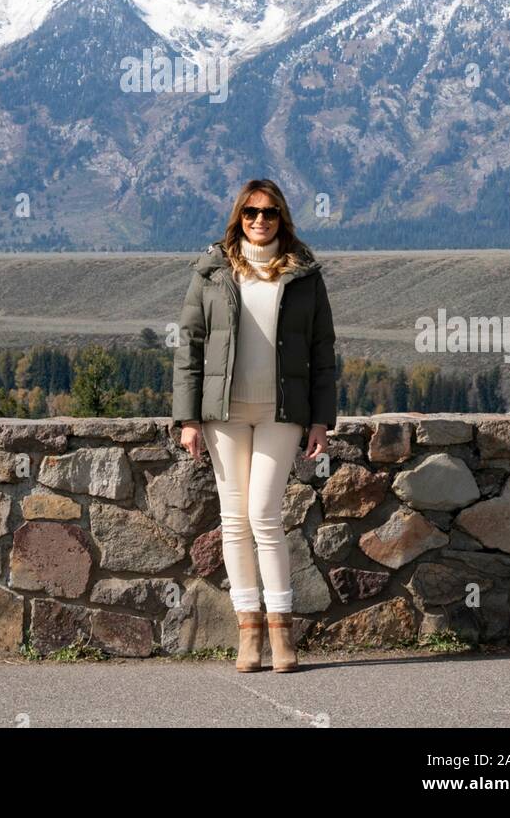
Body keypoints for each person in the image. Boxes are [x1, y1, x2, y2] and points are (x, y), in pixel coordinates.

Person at [171, 178, 337, 673]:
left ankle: (282, 633)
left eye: (269, 212)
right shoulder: (212, 271)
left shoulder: (305, 275)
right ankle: (249, 633)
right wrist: (188, 417)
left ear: (281, 217)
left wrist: (321, 420)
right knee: (234, 520)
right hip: (224, 413)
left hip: (282, 412)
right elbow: (190, 347)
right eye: (250, 213)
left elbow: (322, 353)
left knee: (265, 514)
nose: (259, 220)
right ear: (238, 217)